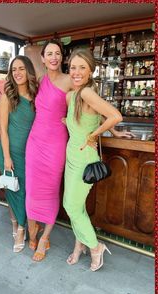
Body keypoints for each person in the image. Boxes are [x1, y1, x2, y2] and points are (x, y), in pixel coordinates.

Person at [63, 48, 123, 271]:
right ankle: (80, 246)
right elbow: (96, 117)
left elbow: (115, 115)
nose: (76, 72)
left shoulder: (87, 93)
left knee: (71, 206)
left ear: (90, 71)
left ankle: (95, 246)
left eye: (82, 68)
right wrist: (114, 133)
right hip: (72, 156)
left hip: (83, 159)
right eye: (73, 67)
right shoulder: (73, 96)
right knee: (76, 207)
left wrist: (92, 136)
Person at [25, 39, 73, 261]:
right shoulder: (40, 81)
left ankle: (45, 237)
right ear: (42, 58)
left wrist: (69, 119)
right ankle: (33, 229)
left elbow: (87, 106)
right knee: (33, 189)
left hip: (55, 144)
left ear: (61, 57)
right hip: (35, 142)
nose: (54, 57)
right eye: (49, 53)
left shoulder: (70, 80)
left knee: (51, 190)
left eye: (57, 53)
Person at [0, 55, 38, 253]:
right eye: (14, 69)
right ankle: (20, 228)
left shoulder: (36, 96)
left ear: (29, 71)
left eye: (21, 68)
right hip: (9, 152)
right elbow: (3, 130)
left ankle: (18, 224)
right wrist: (6, 157)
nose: (17, 73)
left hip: (30, 153)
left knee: (26, 192)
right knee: (14, 191)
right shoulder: (7, 97)